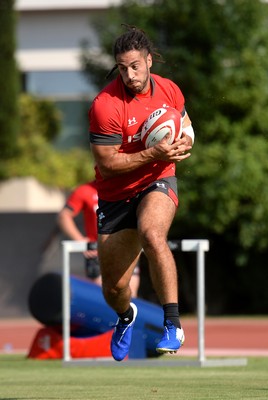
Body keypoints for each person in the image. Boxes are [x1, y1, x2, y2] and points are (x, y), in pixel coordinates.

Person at [89, 26, 195, 361]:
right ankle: (125, 316)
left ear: (149, 60)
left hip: (157, 180)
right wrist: (153, 153)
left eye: (135, 66)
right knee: (115, 289)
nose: (130, 74)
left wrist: (185, 142)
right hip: (116, 194)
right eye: (122, 68)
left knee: (152, 233)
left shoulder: (169, 89)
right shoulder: (105, 105)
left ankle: (172, 324)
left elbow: (186, 125)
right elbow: (107, 166)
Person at [57, 180, 141, 296]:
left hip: (125, 249)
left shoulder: (129, 186)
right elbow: (64, 216)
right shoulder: (84, 190)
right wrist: (80, 240)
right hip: (98, 252)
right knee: (105, 296)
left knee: (130, 294)